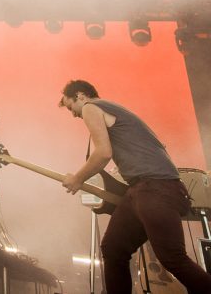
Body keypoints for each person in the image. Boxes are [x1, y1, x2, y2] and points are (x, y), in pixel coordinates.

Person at [59, 80, 211, 293]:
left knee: (173, 258)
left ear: (81, 96)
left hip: (154, 189)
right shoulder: (118, 111)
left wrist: (77, 178)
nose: (73, 114)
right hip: (143, 190)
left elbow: (103, 153)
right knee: (113, 249)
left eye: (70, 107)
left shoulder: (91, 107)